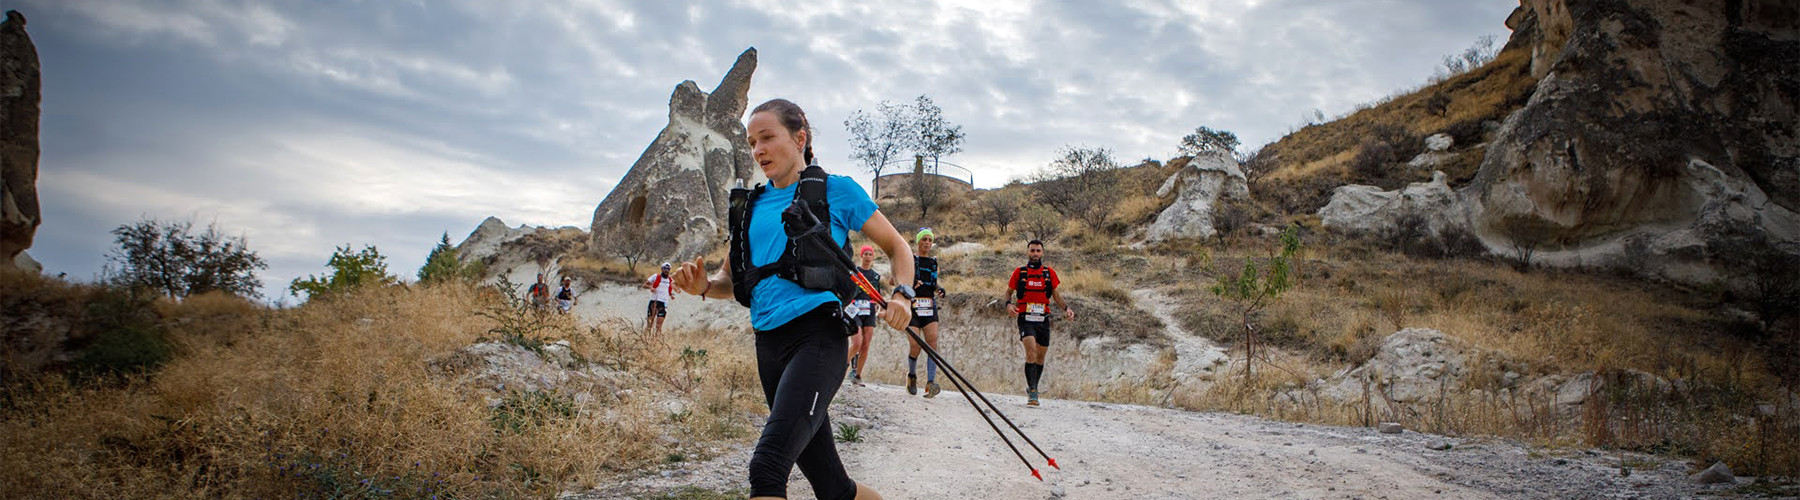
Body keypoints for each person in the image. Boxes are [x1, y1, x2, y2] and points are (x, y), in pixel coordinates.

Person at [671, 98, 910, 500]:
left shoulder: (837, 191)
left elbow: (897, 247)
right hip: (769, 345)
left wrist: (902, 294)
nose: (758, 150)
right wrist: (705, 287)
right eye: (751, 142)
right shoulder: (748, 209)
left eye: (767, 137)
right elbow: (732, 278)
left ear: (799, 138)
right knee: (834, 489)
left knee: (767, 467)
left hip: (818, 338)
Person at [1004, 239, 1074, 407]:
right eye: (1032, 251)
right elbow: (1008, 293)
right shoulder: (1019, 273)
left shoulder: (1049, 273)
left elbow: (1056, 295)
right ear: (1027, 252)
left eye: (1038, 251)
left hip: (1043, 319)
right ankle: (1033, 391)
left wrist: (1066, 308)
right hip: (1025, 318)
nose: (1035, 254)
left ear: (1042, 253)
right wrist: (1009, 305)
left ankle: (1033, 385)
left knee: (1041, 357)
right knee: (1031, 352)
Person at [905, 227, 949, 398]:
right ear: (918, 241)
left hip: (929, 306)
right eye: (924, 239)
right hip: (913, 307)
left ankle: (930, 382)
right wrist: (911, 284)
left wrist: (940, 289)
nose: (927, 243)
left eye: (930, 240)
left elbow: (933, 282)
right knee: (915, 346)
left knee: (932, 343)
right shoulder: (910, 259)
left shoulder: (933, 262)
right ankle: (912, 375)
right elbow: (896, 279)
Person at [846, 245, 882, 387]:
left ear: (873, 257)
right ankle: (843, 368)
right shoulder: (855, 272)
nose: (867, 256)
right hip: (854, 310)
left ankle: (858, 375)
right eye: (865, 254)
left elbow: (877, 294)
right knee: (857, 343)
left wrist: (880, 306)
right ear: (861, 256)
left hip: (869, 310)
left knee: (866, 345)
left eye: (870, 254)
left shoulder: (875, 276)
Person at [643, 262, 675, 335]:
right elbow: (644, 285)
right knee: (650, 324)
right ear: (661, 269)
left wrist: (671, 295)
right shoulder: (656, 276)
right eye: (665, 268)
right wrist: (651, 287)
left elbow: (668, 291)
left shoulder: (670, 280)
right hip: (654, 301)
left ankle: (656, 342)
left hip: (663, 303)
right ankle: (645, 340)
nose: (666, 270)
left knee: (659, 325)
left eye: (668, 269)